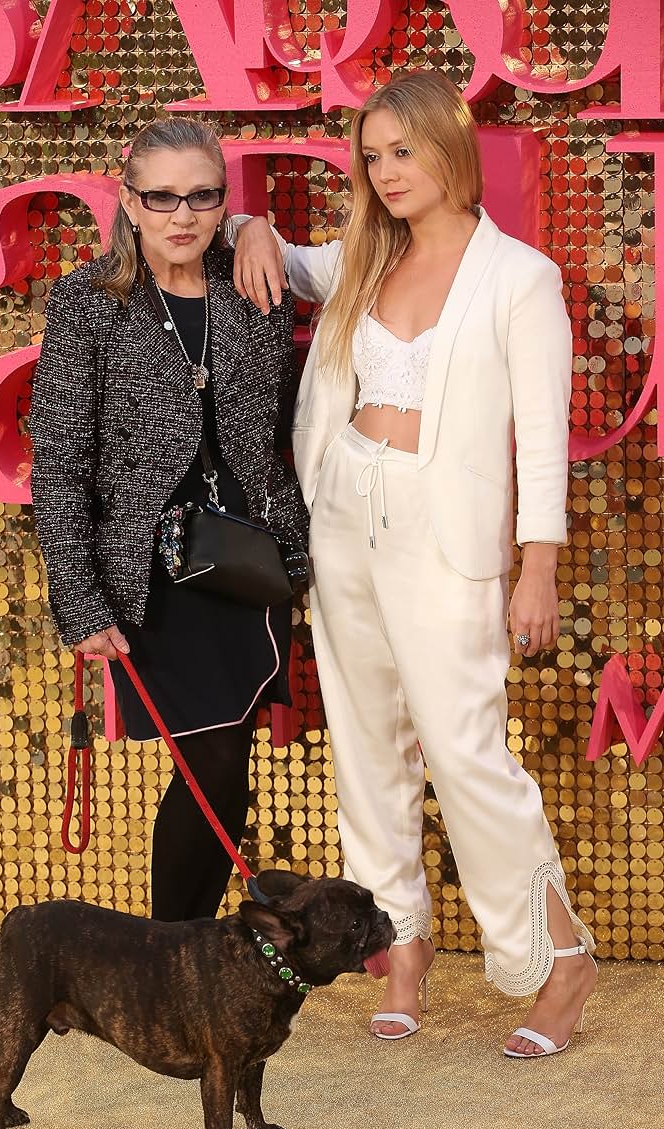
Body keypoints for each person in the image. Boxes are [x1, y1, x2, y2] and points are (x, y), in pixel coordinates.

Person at [233, 69, 597, 1057]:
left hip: (449, 537)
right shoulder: (361, 254)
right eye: (372, 154)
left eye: (404, 150)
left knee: (467, 754)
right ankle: (398, 945)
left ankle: (555, 960)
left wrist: (537, 565)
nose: (385, 171)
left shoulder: (518, 278)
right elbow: (285, 261)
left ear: (451, 150)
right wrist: (252, 228)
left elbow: (541, 439)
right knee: (365, 749)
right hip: (345, 518)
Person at [30, 117, 308, 923]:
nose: (182, 215)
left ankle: (176, 957)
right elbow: (60, 458)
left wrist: (260, 226)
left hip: (250, 566)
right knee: (212, 762)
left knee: (228, 765)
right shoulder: (89, 301)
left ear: (224, 199)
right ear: (129, 200)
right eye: (161, 197)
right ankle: (173, 954)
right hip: (150, 581)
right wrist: (79, 601)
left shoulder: (253, 282)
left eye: (204, 196)